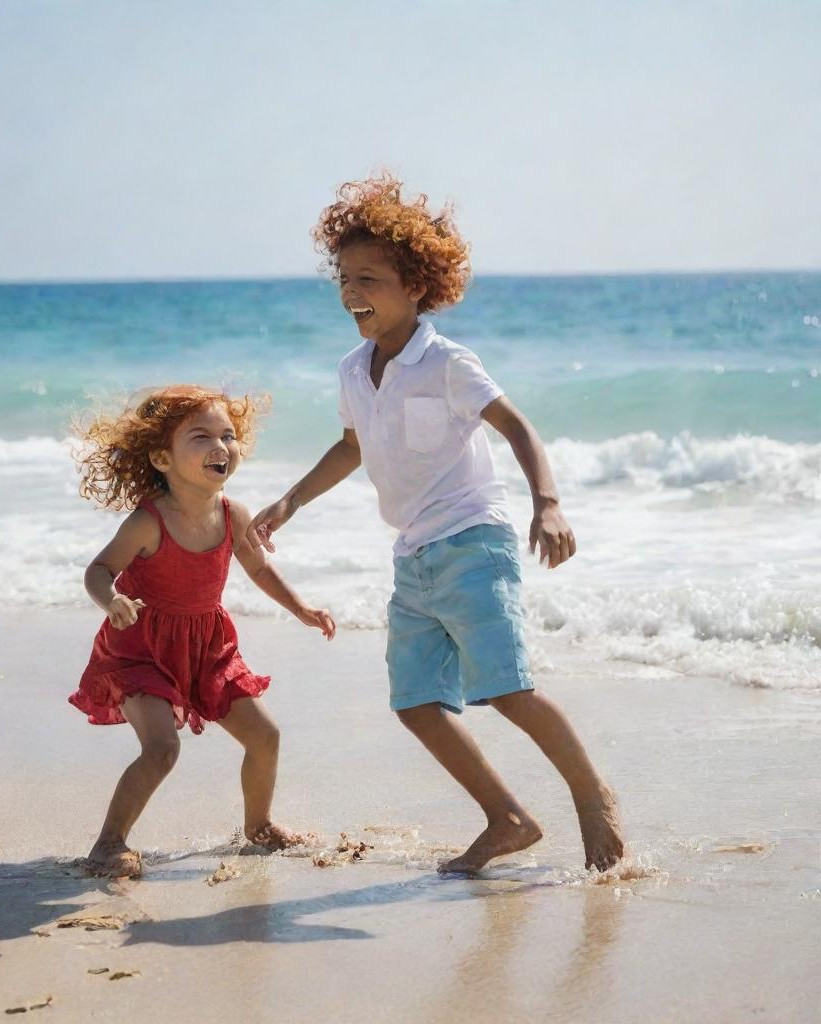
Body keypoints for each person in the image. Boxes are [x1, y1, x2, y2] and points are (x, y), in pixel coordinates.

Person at [248, 175, 624, 873]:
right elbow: (353, 447)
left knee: (507, 689)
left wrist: (548, 501)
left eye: (371, 278)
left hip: (473, 541)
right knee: (416, 702)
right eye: (345, 276)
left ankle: (592, 798)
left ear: (417, 287)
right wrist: (291, 501)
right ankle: (507, 817)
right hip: (413, 555)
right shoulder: (355, 370)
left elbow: (518, 427)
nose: (352, 290)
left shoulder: (447, 362)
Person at [69, 384, 335, 877]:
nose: (221, 447)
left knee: (266, 736)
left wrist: (301, 608)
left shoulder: (234, 514)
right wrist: (113, 601)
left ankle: (259, 827)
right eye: (201, 436)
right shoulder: (148, 522)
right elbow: (98, 571)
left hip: (208, 647)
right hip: (141, 650)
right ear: (161, 457)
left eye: (229, 436)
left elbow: (258, 569)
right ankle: (108, 843)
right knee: (162, 748)